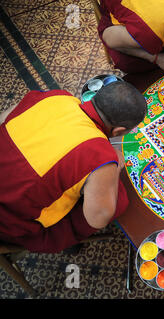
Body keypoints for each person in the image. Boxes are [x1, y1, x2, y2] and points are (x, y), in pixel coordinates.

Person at [0, 81, 147, 253]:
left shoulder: (57, 97)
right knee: (119, 199)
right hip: (9, 222)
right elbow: (98, 218)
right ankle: (67, 242)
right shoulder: (99, 154)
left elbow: (3, 119)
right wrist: (114, 165)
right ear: (118, 131)